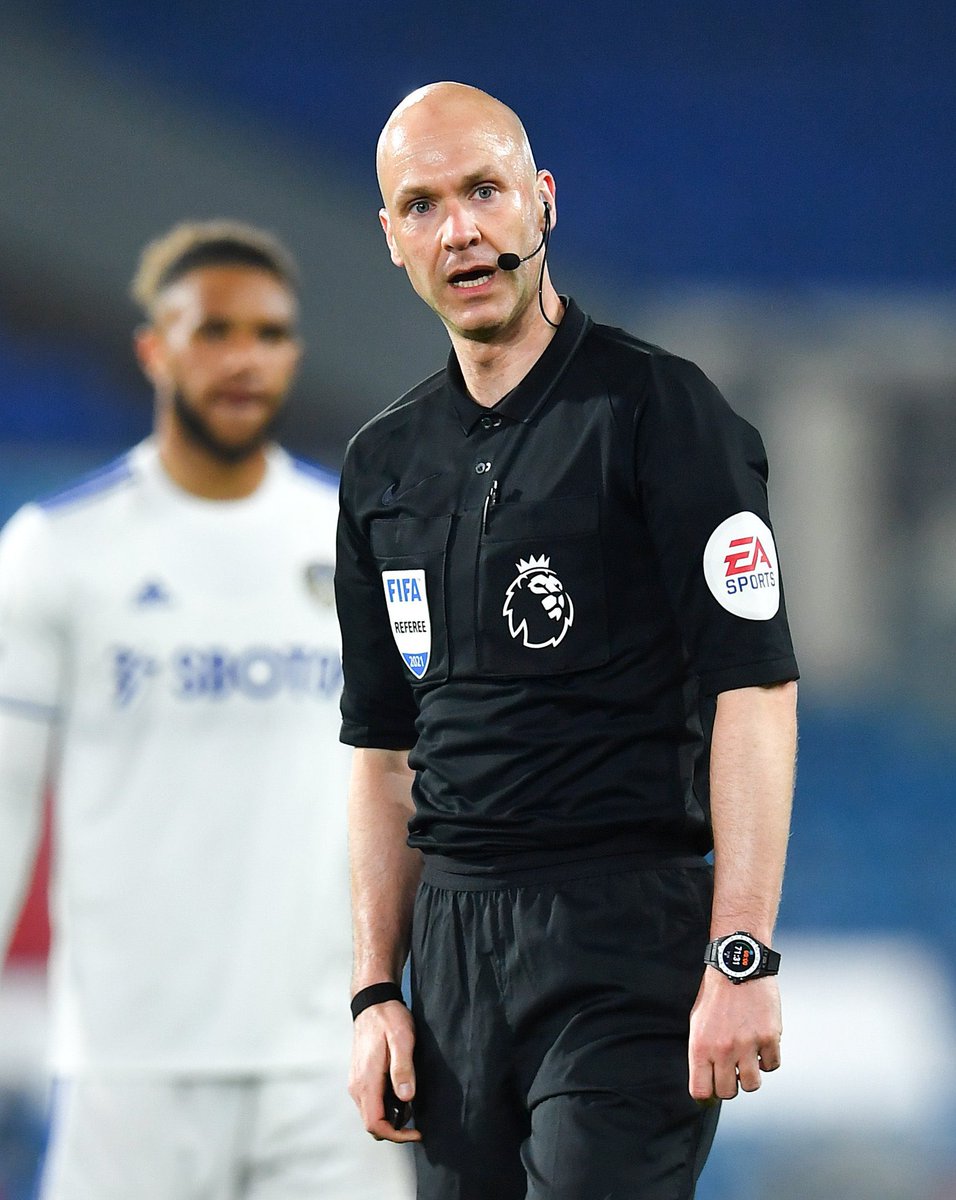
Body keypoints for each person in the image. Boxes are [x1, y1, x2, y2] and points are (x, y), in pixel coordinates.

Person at [334, 82, 799, 1200]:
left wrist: (738, 954)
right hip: (447, 956)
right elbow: (381, 752)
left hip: (620, 940)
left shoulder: (659, 414)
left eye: (484, 191)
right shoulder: (381, 466)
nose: (461, 231)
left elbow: (755, 689)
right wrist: (372, 990)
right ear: (391, 238)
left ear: (541, 203)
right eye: (422, 205)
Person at [0, 220, 413, 1200]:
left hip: (327, 1062)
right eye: (213, 330)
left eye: (268, 334)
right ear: (154, 347)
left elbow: (412, 782)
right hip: (128, 1070)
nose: (244, 358)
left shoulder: (358, 541)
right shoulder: (57, 554)